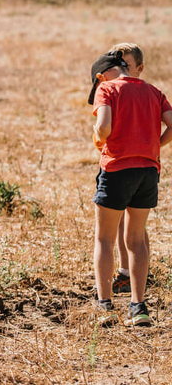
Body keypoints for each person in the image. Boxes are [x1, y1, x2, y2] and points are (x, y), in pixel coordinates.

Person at [89, 50, 172, 327]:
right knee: (136, 240)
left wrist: (99, 138)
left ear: (107, 73)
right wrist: (152, 147)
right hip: (148, 170)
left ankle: (106, 306)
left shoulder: (107, 89)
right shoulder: (154, 90)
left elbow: (103, 127)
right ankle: (138, 308)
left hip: (116, 169)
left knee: (104, 239)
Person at [107, 43, 149, 294]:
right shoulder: (114, 91)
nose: (120, 71)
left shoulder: (145, 93)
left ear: (140, 68)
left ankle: (130, 272)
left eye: (127, 66)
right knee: (126, 222)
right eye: (117, 65)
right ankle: (130, 271)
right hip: (123, 163)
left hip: (133, 166)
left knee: (134, 227)